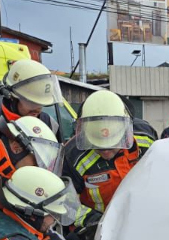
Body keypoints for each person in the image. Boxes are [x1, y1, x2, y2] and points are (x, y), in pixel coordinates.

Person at [61, 90, 158, 221]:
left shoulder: (146, 136)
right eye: (98, 146)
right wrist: (95, 224)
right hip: (102, 230)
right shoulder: (72, 156)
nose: (106, 151)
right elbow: (66, 204)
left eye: (112, 143)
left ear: (125, 131)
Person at [0, 58, 63, 140]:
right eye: (31, 102)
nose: (37, 109)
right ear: (12, 98)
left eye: (41, 103)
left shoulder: (49, 124)